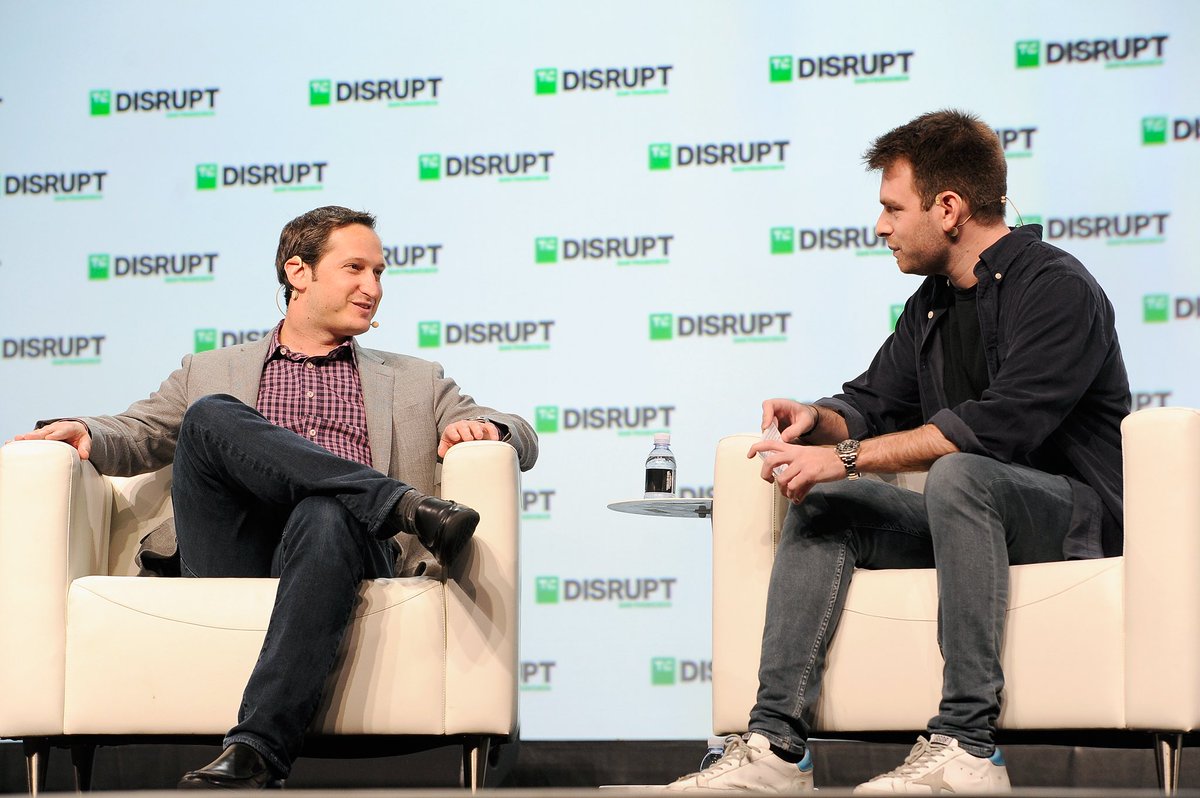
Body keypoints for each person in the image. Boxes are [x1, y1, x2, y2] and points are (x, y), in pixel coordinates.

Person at [665, 110, 1129, 794]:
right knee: (828, 503)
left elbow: (1000, 429)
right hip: (967, 515)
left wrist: (848, 456)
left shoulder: (1057, 288)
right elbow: (873, 401)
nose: (880, 227)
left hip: (1071, 520)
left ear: (949, 209)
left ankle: (969, 747)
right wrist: (819, 421)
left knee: (960, 473)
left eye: (892, 208)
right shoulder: (933, 304)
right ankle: (776, 750)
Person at [10, 205, 538, 789]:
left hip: (343, 549)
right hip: (230, 550)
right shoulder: (211, 369)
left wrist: (488, 429)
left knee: (327, 510)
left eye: (379, 272)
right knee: (210, 414)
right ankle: (397, 503)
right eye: (355, 268)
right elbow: (141, 431)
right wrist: (86, 429)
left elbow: (521, 433)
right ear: (298, 271)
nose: (373, 287)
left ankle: (257, 751)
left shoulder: (415, 380)